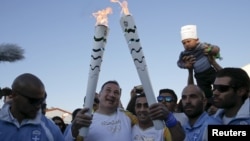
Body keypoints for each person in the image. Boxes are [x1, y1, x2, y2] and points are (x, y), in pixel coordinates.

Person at [64, 80, 172, 141]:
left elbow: (147, 125)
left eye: (116, 93)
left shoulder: (128, 117)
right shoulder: (86, 120)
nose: (112, 95)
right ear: (99, 95)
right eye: (108, 90)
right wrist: (74, 130)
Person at [0, 73, 65, 141]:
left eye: (41, 101)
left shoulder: (51, 129)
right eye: (33, 100)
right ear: (14, 95)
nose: (38, 106)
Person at [177, 24, 222, 100]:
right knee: (205, 92)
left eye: (188, 41)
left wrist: (211, 50)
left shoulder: (202, 46)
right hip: (199, 76)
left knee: (219, 85)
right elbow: (179, 63)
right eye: (184, 43)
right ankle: (210, 102)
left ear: (197, 40)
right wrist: (186, 65)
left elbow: (216, 48)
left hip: (210, 71)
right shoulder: (184, 54)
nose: (186, 44)